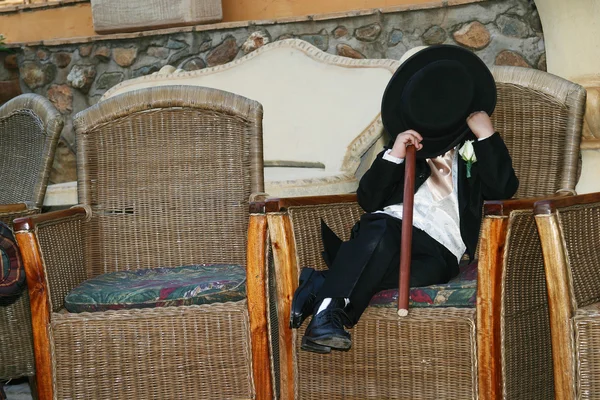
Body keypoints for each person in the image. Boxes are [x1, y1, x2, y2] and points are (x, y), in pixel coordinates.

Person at [289, 45, 519, 354]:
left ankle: (322, 284)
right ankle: (328, 316)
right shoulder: (409, 145)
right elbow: (369, 199)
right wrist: (395, 154)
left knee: (420, 274)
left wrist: (486, 136)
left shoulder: (474, 146)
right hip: (390, 230)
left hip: (442, 249)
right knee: (381, 232)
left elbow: (503, 189)